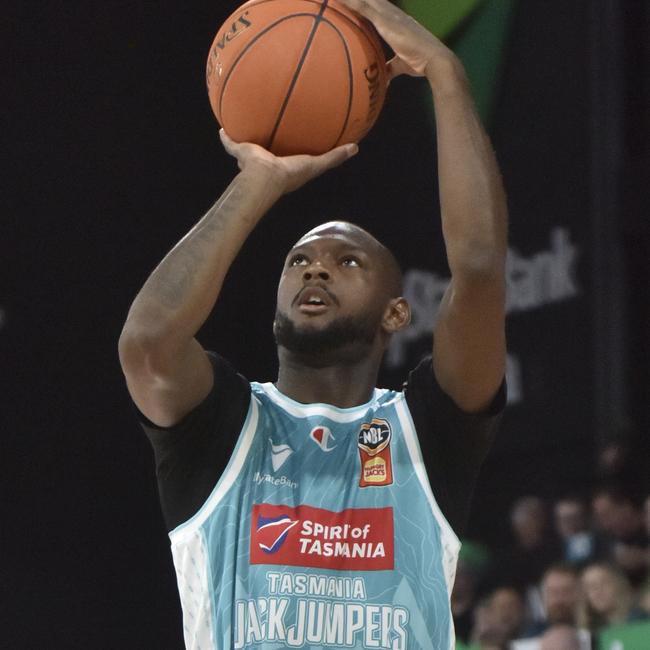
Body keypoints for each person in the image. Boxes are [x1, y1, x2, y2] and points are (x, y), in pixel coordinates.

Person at [118, 0, 508, 648]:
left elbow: (478, 267)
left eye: (345, 260)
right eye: (299, 261)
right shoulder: (222, 430)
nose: (315, 271)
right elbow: (148, 343)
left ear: (396, 312)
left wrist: (444, 71)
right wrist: (259, 182)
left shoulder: (429, 435)